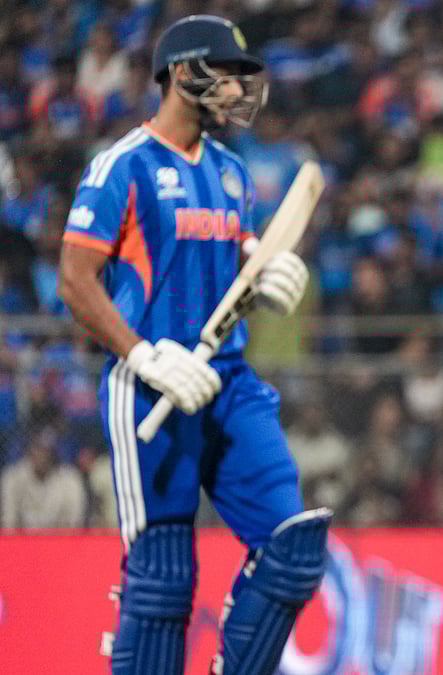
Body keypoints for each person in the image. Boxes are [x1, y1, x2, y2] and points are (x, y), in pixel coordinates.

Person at [56, 15, 330, 675]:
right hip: (149, 383)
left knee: (292, 546)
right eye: (226, 71)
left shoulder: (233, 173)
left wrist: (264, 273)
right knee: (163, 578)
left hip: (227, 380)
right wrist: (145, 353)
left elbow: (238, 258)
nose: (239, 87)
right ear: (181, 72)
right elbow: (74, 278)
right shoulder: (123, 165)